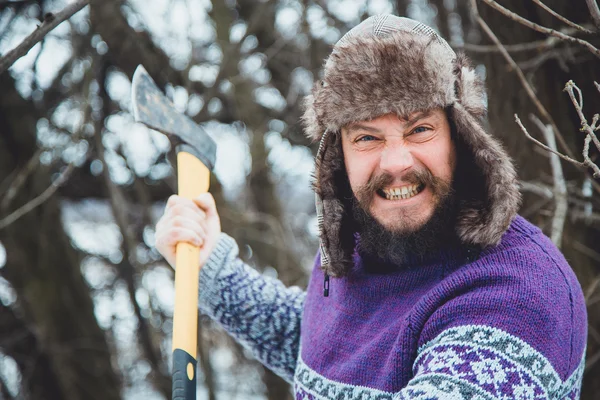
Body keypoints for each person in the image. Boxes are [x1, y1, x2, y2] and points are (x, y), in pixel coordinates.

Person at [155, 15, 587, 399]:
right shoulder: (362, 244)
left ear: (462, 138)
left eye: (419, 129)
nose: (396, 162)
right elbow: (323, 345)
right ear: (338, 158)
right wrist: (212, 268)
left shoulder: (515, 295)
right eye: (367, 137)